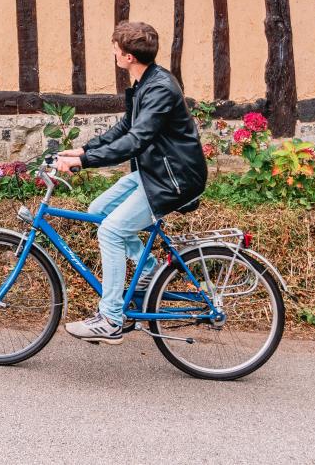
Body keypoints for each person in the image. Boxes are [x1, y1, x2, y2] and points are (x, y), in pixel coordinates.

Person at [56, 20, 207, 344]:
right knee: (99, 210)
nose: (113, 53)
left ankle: (110, 318)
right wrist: (83, 148)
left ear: (127, 56)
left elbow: (136, 140)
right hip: (158, 172)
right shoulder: (145, 83)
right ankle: (148, 266)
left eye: (116, 49)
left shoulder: (160, 88)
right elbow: (126, 127)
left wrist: (84, 162)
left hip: (174, 179)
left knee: (111, 230)